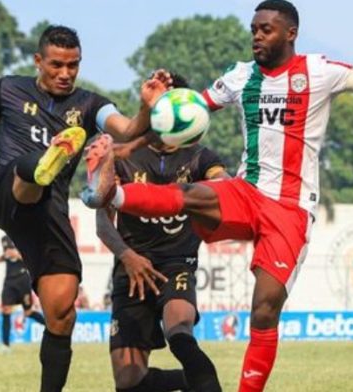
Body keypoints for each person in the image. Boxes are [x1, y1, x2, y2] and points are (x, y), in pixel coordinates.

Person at [80, 2, 353, 391]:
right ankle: (111, 196)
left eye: (266, 29)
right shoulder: (240, 76)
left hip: (290, 209)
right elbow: (186, 113)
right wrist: (134, 140)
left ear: (290, 33)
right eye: (253, 29)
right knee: (190, 193)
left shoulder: (319, 72)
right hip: (248, 191)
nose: (257, 37)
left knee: (264, 310)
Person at [0, 24, 168, 391]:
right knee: (29, 170)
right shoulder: (7, 89)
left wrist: (146, 106)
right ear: (38, 60)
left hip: (47, 214)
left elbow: (126, 128)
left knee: (61, 313)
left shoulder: (90, 104)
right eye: (56, 64)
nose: (65, 73)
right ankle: (44, 162)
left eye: (73, 65)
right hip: (5, 191)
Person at [97, 74, 228, 392]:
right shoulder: (121, 155)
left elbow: (223, 185)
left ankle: (205, 384)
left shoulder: (200, 157)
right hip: (131, 270)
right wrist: (128, 257)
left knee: (179, 333)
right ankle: (196, 382)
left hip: (176, 264)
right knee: (128, 383)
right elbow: (102, 223)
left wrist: (225, 186)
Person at [0, 235, 46, 353]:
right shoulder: (4, 238)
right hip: (9, 281)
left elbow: (32, 257)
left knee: (28, 312)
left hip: (22, 280)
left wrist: (18, 255)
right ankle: (5, 346)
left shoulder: (23, 236)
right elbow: (6, 256)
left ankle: (52, 327)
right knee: (6, 310)